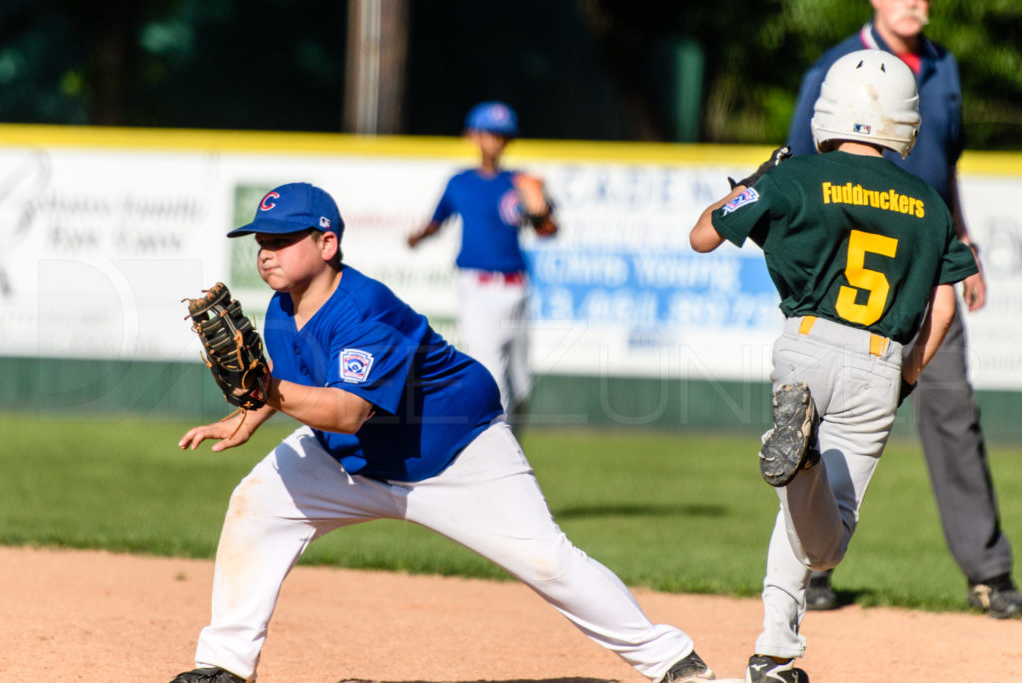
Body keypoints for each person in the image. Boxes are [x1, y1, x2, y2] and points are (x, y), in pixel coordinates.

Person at [168, 182, 715, 683]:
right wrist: (247, 415)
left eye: (284, 239)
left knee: (549, 561)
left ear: (327, 243)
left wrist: (262, 390)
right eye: (262, 239)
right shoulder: (283, 310)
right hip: (352, 460)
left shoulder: (364, 308)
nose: (267, 251)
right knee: (256, 508)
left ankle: (672, 662)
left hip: (455, 454)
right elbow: (297, 379)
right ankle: (224, 667)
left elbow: (345, 411)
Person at [690, 50, 978, 682]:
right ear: (905, 122)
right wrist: (909, 374)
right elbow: (946, 303)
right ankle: (808, 460)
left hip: (802, 345)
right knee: (828, 542)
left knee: (798, 502)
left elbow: (704, 235)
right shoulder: (928, 203)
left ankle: (774, 649)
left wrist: (753, 180)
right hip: (877, 361)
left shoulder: (794, 177)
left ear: (828, 111)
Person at [786, 0, 1022, 619]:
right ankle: (808, 570)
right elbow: (801, 173)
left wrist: (961, 240)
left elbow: (946, 169)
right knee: (822, 421)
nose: (915, 2)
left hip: (930, 261)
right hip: (853, 278)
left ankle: (990, 574)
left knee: (954, 415)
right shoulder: (836, 68)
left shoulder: (943, 66)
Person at [407, 101, 557, 431]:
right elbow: (438, 220)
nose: (495, 141)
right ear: (472, 136)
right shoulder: (459, 182)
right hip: (477, 287)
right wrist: (420, 235)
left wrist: (540, 212)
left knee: (521, 386)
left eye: (502, 135)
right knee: (492, 376)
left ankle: (512, 447)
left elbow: (548, 230)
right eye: (489, 133)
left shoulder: (522, 182)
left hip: (517, 286)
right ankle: (495, 455)